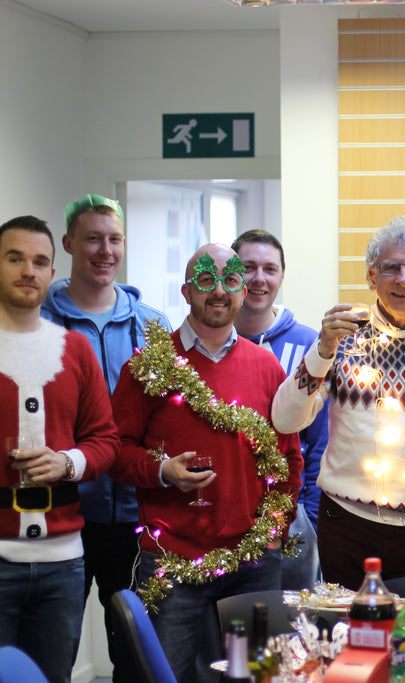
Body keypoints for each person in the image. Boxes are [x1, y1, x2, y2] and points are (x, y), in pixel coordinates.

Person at [0, 216, 118, 683]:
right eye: (15, 259)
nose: (28, 271)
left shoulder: (76, 350)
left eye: (40, 262)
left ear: (52, 272)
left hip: (63, 566)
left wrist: (67, 462)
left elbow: (105, 441)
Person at [110, 243, 303, 683]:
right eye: (206, 280)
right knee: (162, 677)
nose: (219, 291)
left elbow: (289, 458)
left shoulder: (266, 366)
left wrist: (275, 530)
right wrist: (162, 471)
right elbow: (115, 450)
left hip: (252, 564)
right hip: (171, 561)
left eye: (231, 280)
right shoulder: (150, 366)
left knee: (256, 677)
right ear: (186, 290)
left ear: (243, 291)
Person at [272, 216, 405, 589]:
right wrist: (321, 351)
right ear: (371, 276)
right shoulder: (343, 336)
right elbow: (286, 420)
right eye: (390, 268)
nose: (403, 278)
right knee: (351, 640)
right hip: (348, 526)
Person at [40, 193, 170, 682]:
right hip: (63, 515)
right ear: (70, 242)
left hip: (138, 516)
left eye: (114, 239)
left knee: (135, 654)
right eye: (92, 238)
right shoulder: (43, 323)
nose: (104, 250)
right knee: (55, 648)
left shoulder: (152, 326)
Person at [231, 229, 323, 590]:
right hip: (222, 517)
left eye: (269, 269)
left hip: (291, 516)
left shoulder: (308, 345)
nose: (258, 278)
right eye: (248, 267)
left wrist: (311, 521)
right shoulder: (208, 343)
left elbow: (319, 441)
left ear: (282, 276)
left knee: (289, 633)